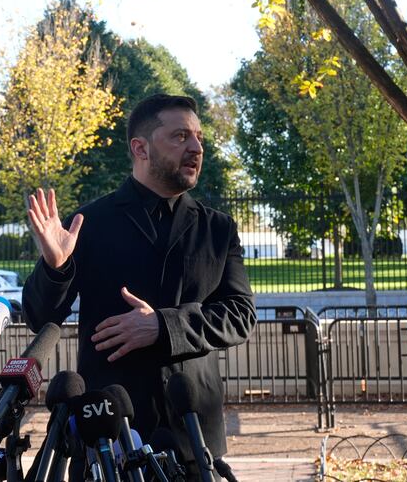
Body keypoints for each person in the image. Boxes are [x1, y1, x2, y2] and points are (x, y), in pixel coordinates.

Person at [22, 93, 256, 479]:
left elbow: (240, 315)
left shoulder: (217, 229)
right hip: (108, 437)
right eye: (180, 136)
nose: (196, 147)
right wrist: (55, 266)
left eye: (198, 137)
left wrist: (163, 326)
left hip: (194, 435)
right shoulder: (90, 222)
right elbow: (39, 317)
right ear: (140, 148)